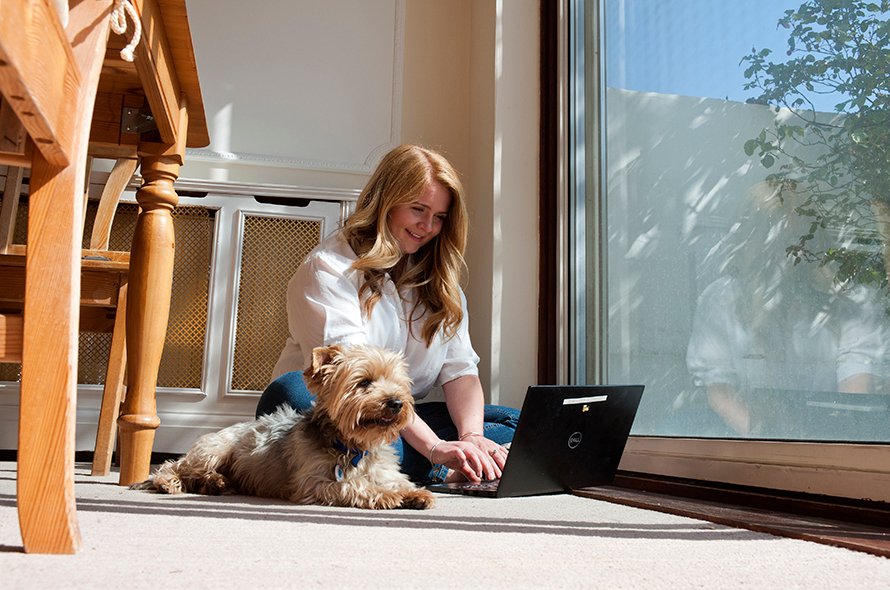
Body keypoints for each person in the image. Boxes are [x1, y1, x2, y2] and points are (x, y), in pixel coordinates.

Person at [256, 144, 519, 484]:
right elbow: (349, 380)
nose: (428, 226)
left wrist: (471, 437)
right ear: (386, 202)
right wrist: (436, 446)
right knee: (289, 391)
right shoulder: (329, 269)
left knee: (516, 421)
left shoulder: (441, 284)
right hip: (330, 417)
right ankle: (436, 464)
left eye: (439, 217)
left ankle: (442, 461)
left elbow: (460, 373)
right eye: (418, 209)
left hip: (395, 419)